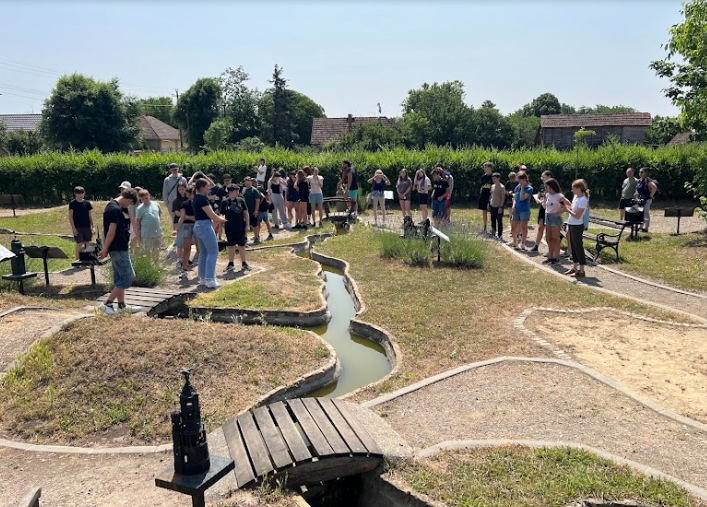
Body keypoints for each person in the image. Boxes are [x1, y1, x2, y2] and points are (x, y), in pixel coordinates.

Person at [97, 188, 141, 315]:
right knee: (128, 277)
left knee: (120, 277)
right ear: (129, 200)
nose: (128, 207)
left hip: (118, 247)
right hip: (118, 247)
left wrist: (106, 247)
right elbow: (111, 231)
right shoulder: (115, 210)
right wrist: (105, 248)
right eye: (130, 204)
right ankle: (107, 303)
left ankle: (121, 305)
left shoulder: (110, 206)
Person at [193, 178, 226, 289]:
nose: (209, 188)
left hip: (198, 226)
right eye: (207, 186)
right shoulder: (202, 199)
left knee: (204, 253)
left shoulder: (196, 198)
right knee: (213, 252)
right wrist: (221, 219)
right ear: (202, 188)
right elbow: (211, 215)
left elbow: (212, 184)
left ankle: (203, 278)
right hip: (205, 226)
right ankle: (210, 280)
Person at [560, 179, 590, 278]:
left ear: (579, 188)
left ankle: (582, 270)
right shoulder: (576, 197)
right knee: (573, 246)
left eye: (573, 188)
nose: (572, 190)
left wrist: (566, 210)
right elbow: (573, 209)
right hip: (571, 224)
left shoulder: (583, 200)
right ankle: (575, 267)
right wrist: (566, 207)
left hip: (577, 225)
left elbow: (577, 216)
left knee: (578, 247)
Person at [220, 184, 251, 273]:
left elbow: (246, 213)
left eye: (238, 191)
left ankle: (244, 263)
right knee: (231, 245)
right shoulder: (224, 202)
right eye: (235, 191)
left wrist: (247, 225)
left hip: (240, 226)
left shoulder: (241, 200)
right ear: (230, 192)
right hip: (229, 227)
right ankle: (231, 263)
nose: (238, 193)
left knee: (242, 245)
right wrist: (220, 228)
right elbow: (221, 215)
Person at [175, 185, 198, 278]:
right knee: (188, 249)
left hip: (193, 225)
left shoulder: (196, 202)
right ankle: (185, 269)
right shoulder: (186, 203)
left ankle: (187, 269)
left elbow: (183, 217)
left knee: (194, 249)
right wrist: (177, 230)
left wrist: (188, 217)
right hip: (190, 226)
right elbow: (182, 217)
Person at [68, 186, 94, 260]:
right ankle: (77, 260)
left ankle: (88, 259)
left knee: (87, 242)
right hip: (77, 227)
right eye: (79, 193)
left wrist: (93, 227)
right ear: (75, 194)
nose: (81, 195)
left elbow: (90, 216)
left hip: (87, 226)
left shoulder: (87, 203)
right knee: (79, 243)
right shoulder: (72, 203)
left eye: (82, 193)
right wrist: (73, 228)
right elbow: (70, 217)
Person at [542, 178, 564, 265]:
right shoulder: (547, 195)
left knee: (555, 238)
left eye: (547, 187)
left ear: (551, 187)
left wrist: (559, 213)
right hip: (548, 216)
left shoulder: (559, 196)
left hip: (555, 218)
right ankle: (550, 256)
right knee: (548, 238)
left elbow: (568, 205)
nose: (546, 188)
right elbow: (546, 206)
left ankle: (556, 257)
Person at [510, 171, 533, 250]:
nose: (518, 182)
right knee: (513, 226)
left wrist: (522, 188)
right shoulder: (517, 187)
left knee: (523, 227)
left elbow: (522, 198)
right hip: (516, 209)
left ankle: (523, 243)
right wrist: (513, 207)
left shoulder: (529, 188)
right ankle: (514, 241)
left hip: (524, 210)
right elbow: (515, 198)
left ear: (524, 179)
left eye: (520, 180)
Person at [532, 170, 552, 252]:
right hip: (542, 209)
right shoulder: (541, 186)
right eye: (541, 177)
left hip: (550, 209)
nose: (542, 178)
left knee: (548, 230)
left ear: (549, 177)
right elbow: (539, 195)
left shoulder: (552, 186)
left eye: (544, 177)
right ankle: (536, 245)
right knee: (540, 228)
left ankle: (550, 249)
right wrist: (538, 199)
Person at [636, 167, 657, 232]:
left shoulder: (647, 180)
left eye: (642, 172)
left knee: (645, 213)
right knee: (640, 213)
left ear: (645, 173)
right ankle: (640, 226)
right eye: (639, 172)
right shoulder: (639, 180)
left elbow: (654, 187)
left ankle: (646, 227)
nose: (640, 173)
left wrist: (651, 195)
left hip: (646, 199)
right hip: (640, 200)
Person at [242, 177, 262, 242]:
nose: (248, 183)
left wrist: (256, 210)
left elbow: (257, 201)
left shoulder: (254, 190)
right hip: (245, 211)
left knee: (254, 224)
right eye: (246, 181)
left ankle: (256, 237)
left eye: (249, 181)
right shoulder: (243, 190)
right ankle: (245, 238)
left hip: (252, 210)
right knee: (244, 224)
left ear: (251, 182)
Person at [171, 182, 188, 260]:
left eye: (183, 189)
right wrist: (186, 216)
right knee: (180, 242)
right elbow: (177, 213)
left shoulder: (189, 199)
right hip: (178, 222)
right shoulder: (176, 200)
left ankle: (185, 257)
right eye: (179, 189)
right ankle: (179, 258)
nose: (181, 191)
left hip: (187, 222)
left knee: (186, 241)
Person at [488, 173, 506, 240]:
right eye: (492, 178)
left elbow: (503, 197)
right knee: (493, 220)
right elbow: (491, 195)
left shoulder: (502, 187)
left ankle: (500, 235)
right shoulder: (492, 186)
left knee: (499, 221)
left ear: (498, 178)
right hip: (492, 205)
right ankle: (493, 232)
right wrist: (489, 204)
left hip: (498, 206)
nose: (493, 180)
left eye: (495, 178)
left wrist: (501, 207)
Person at [478, 162, 493, 233]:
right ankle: (485, 227)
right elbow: (482, 186)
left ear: (490, 168)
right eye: (484, 167)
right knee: (484, 211)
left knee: (492, 212)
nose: (484, 169)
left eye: (486, 167)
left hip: (491, 196)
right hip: (484, 196)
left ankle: (493, 228)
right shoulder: (483, 177)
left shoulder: (493, 177)